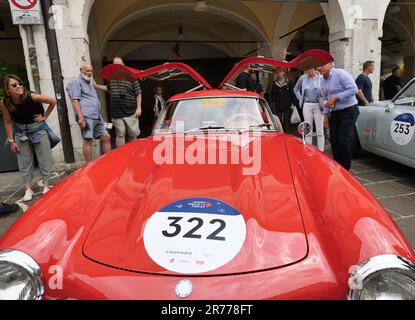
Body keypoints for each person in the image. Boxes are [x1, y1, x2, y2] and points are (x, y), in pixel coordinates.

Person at [1, 74, 59, 201]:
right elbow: (8, 122)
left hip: (38, 129)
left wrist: (45, 117)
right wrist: (11, 141)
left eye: (20, 83)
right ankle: (28, 189)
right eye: (14, 85)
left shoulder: (31, 96)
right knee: (24, 161)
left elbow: (53, 101)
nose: (19, 86)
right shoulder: (5, 103)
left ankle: (46, 185)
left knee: (44, 158)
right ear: (7, 90)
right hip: (20, 133)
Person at [318, 62, 359, 171]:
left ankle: (345, 168)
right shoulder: (322, 80)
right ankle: (337, 164)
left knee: (343, 139)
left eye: (322, 64)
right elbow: (326, 98)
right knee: (333, 139)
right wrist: (325, 115)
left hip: (349, 109)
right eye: (318, 65)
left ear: (331, 64)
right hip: (335, 112)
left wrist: (336, 97)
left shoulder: (340, 73)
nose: (319, 67)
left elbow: (354, 89)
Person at [66, 63, 111, 162]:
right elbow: (74, 100)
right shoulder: (76, 82)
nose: (89, 73)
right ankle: (88, 165)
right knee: (88, 140)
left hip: (96, 116)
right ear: (81, 70)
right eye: (87, 70)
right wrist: (80, 117)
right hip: (86, 116)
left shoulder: (90, 82)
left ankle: (108, 161)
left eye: (91, 71)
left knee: (106, 137)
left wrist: (101, 117)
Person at [94, 57, 142, 147]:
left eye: (119, 65)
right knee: (120, 135)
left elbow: (138, 93)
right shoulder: (111, 78)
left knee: (133, 134)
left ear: (123, 65)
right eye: (115, 65)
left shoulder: (131, 76)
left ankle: (132, 154)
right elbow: (108, 88)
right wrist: (96, 86)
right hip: (116, 113)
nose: (117, 67)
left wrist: (139, 108)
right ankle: (121, 156)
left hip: (131, 112)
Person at [294, 66, 325, 151]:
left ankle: (321, 151)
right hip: (307, 105)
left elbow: (327, 89)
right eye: (307, 70)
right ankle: (308, 150)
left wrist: (324, 94)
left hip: (318, 105)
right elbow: (295, 89)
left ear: (315, 69)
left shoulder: (321, 78)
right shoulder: (303, 78)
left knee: (320, 130)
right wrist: (301, 99)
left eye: (311, 70)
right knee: (307, 129)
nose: (309, 72)